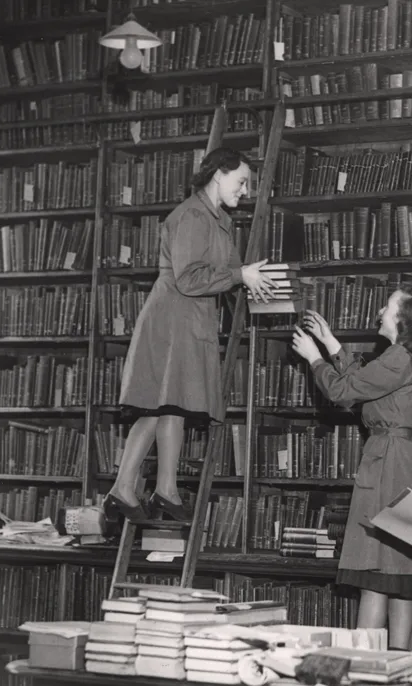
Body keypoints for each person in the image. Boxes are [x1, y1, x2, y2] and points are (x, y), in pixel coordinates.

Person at [103, 147, 277, 523]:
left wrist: (257, 281)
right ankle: (123, 487)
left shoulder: (218, 220)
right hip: (171, 318)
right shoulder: (193, 216)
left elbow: (231, 272)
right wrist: (240, 275)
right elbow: (189, 278)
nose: (244, 191)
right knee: (158, 405)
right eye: (241, 182)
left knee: (173, 405)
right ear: (219, 175)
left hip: (190, 319)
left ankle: (163, 488)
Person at [290, 284, 412, 650]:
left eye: (387, 306)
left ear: (403, 319)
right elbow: (363, 383)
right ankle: (399, 658)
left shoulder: (397, 357)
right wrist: (331, 343)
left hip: (388, 466)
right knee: (399, 574)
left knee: (375, 574)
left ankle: (364, 663)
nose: (379, 312)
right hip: (402, 463)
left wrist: (315, 359)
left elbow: (344, 392)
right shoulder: (407, 358)